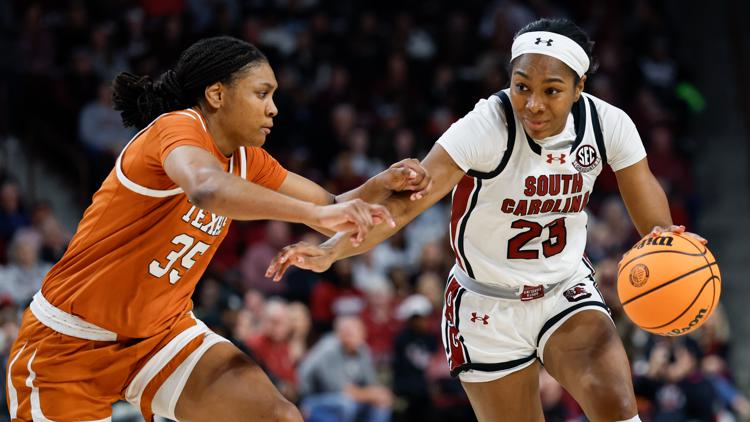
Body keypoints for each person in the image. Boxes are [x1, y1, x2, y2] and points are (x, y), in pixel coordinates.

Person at [267, 18, 708, 422]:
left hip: (563, 289)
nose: (533, 104)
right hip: (486, 305)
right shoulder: (485, 126)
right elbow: (401, 209)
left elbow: (657, 231)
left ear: (579, 87)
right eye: (521, 87)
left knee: (615, 403)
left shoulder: (607, 123)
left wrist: (677, 257)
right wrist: (331, 252)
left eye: (551, 90)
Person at [5, 36, 430, 421]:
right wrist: (309, 217)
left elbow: (331, 204)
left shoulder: (248, 159)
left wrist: (381, 184)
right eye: (262, 93)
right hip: (70, 344)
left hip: (161, 335)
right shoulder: (176, 128)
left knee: (278, 417)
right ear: (216, 94)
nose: (273, 108)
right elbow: (207, 189)